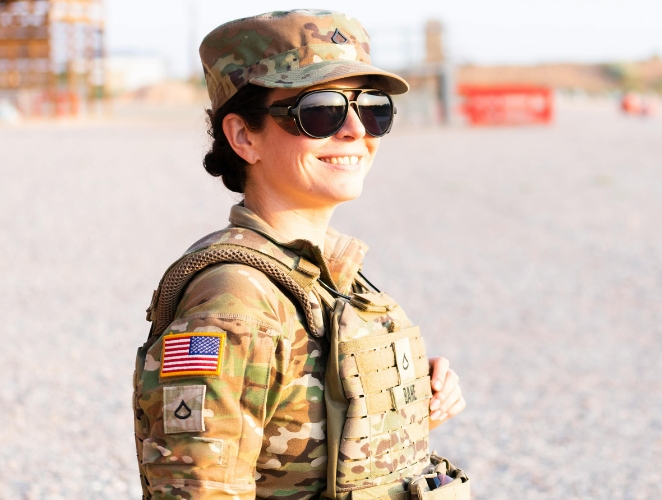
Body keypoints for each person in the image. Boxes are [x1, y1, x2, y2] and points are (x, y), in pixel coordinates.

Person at [132, 10, 466, 500]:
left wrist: (405, 405)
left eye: (372, 107)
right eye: (320, 110)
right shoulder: (235, 301)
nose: (355, 130)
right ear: (244, 136)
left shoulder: (323, 272)